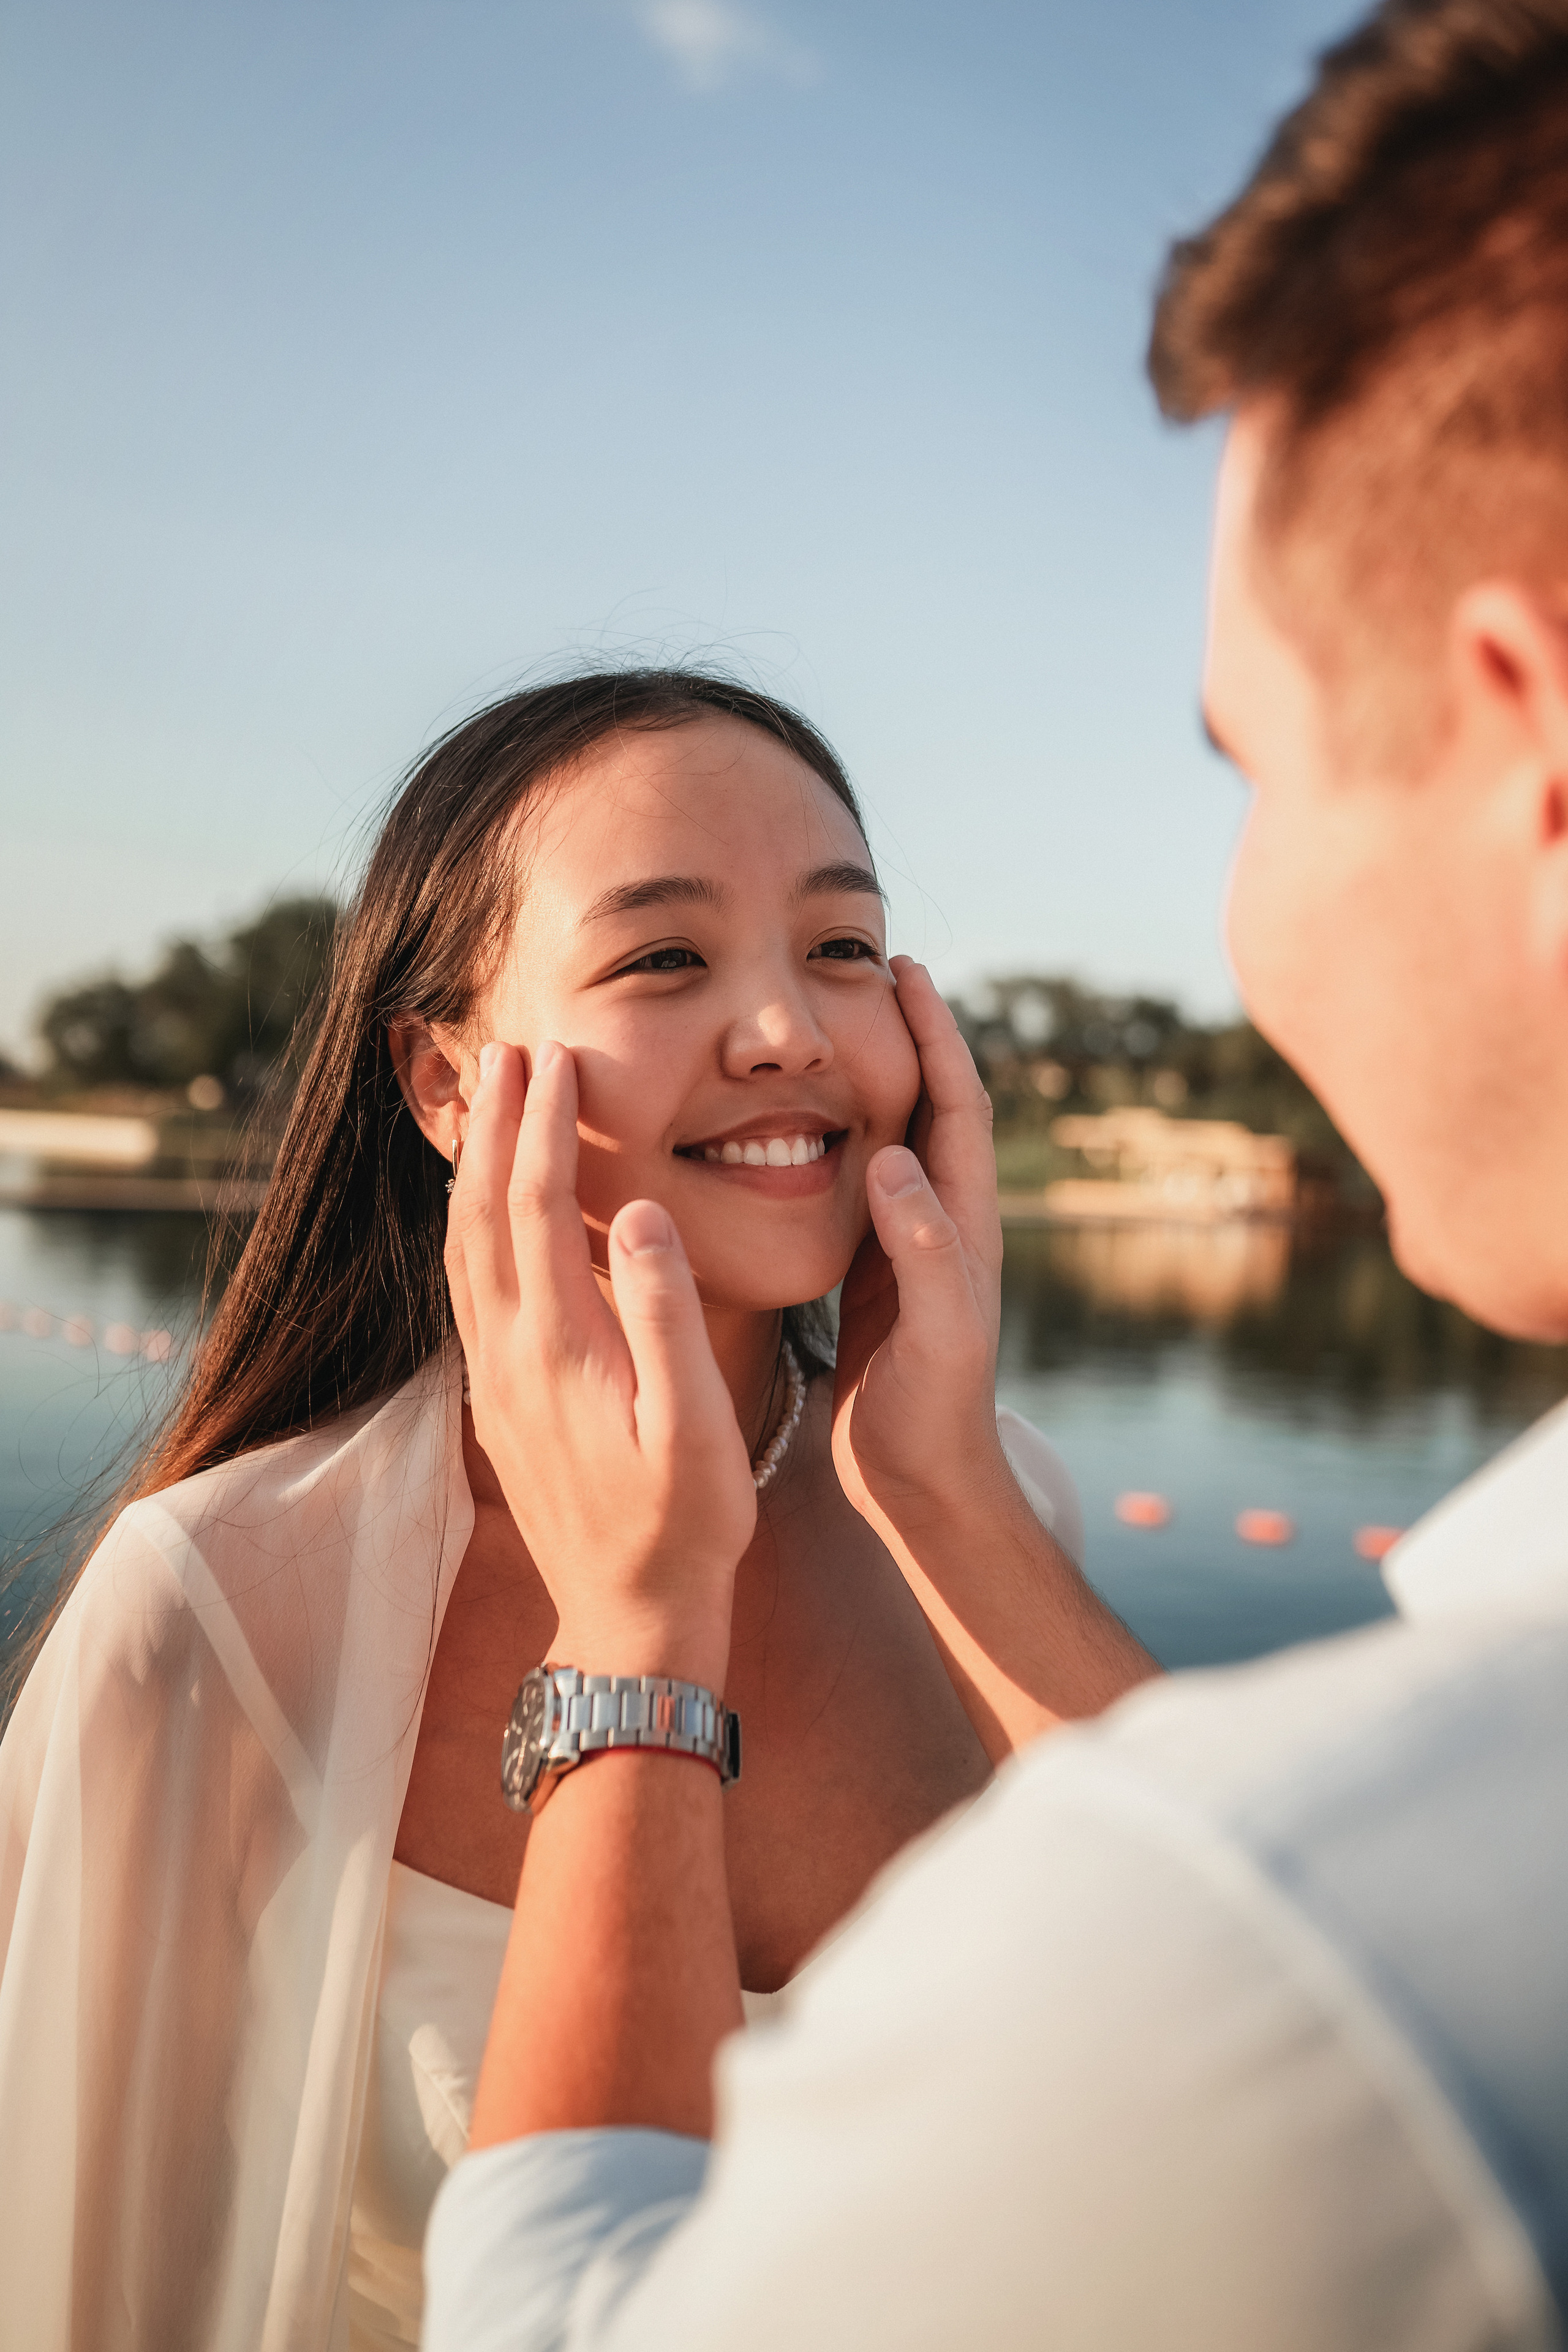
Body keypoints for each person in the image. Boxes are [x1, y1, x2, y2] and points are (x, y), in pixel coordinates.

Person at [420, 6, 1568, 2347]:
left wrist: (630, 1648)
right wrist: (937, 1498)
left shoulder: (1296, 1937)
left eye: (1255, 762)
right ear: (457, 1078)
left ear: (1532, 743)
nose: (1240, 919)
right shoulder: (224, 1595)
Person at [0, 671, 1151, 2351]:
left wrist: (954, 1498)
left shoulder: (1007, 1500)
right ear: (448, 1084)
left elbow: (1288, 2047)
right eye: (665, 958)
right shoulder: (223, 1597)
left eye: (843, 947)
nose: (788, 1032)